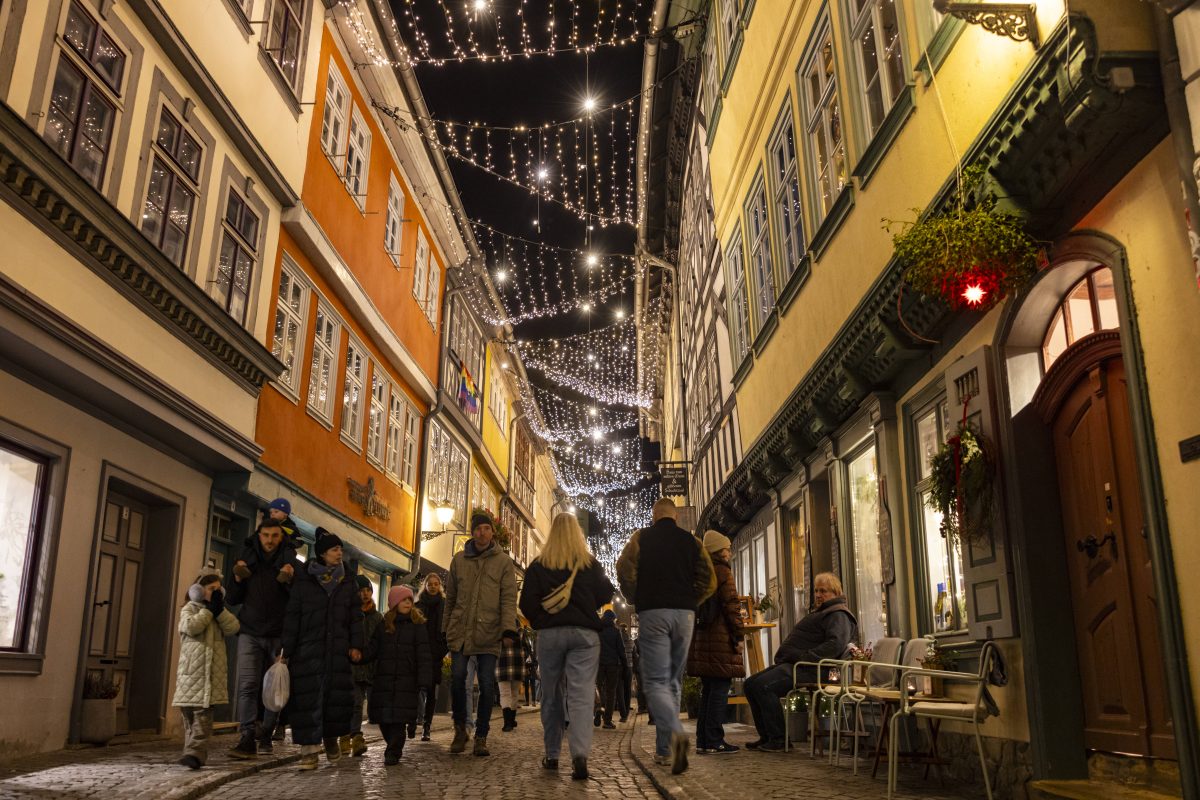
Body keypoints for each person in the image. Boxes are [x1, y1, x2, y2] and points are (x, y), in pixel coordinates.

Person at [617, 497, 716, 775]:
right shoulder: (692, 541)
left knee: (657, 680)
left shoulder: (640, 538)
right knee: (673, 680)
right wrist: (690, 599)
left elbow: (623, 568)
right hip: (684, 615)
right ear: (675, 516)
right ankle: (665, 750)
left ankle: (671, 740)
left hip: (654, 612)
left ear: (653, 516)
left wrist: (636, 596)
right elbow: (709, 580)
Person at [519, 512, 614, 781]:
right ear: (577, 534)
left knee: (551, 694)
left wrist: (542, 620)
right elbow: (607, 594)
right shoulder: (589, 564)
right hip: (585, 635)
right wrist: (585, 605)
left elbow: (526, 603)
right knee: (581, 696)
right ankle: (580, 755)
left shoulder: (539, 565)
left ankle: (552, 754)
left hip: (550, 635)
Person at [744, 572, 858, 753]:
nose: (818, 595)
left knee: (764, 687)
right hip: (798, 664)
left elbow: (835, 645)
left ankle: (779, 740)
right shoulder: (825, 612)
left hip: (812, 668)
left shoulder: (839, 614)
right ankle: (767, 736)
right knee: (750, 684)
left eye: (823, 591)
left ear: (836, 592)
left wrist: (805, 656)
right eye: (816, 590)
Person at [281, 529, 365, 770]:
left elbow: (354, 617)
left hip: (338, 649)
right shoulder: (305, 579)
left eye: (340, 549)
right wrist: (287, 648)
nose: (339, 553)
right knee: (306, 699)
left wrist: (356, 645)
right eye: (334, 550)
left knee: (335, 699)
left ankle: (330, 741)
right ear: (322, 554)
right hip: (308, 650)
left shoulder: (347, 581)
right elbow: (293, 615)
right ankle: (308, 751)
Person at [444, 511, 517, 757]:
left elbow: (508, 599)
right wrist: (446, 628)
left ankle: (481, 735)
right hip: (461, 630)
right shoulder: (458, 560)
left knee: (487, 684)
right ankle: (460, 729)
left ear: (492, 532)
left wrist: (508, 628)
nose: (481, 533)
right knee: (457, 678)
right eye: (477, 529)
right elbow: (451, 598)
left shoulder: (504, 562)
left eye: (486, 528)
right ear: (472, 532)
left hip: (489, 631)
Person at [224, 520, 298, 759]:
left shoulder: (290, 565)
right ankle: (247, 735)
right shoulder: (246, 560)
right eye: (265, 535)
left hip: (278, 635)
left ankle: (265, 734)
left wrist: (291, 581)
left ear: (281, 538)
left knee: (273, 688)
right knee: (247, 685)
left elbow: (297, 603)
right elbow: (233, 599)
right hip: (250, 632)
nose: (269, 540)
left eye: (274, 536)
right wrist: (236, 579)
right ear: (258, 535)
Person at [687, 531, 746, 755]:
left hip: (703, 640)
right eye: (727, 549)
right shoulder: (722, 571)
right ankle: (714, 739)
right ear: (719, 551)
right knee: (720, 690)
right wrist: (738, 635)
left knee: (709, 691)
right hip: (719, 640)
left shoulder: (701, 573)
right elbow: (732, 604)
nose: (730, 553)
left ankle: (703, 740)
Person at [172, 572, 239, 769]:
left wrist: (218, 611)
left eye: (219, 590)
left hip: (211, 677)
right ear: (198, 590)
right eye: (211, 589)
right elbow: (191, 627)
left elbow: (233, 627)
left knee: (203, 717)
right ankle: (191, 752)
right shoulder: (189, 609)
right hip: (190, 674)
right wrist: (209, 611)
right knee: (189, 719)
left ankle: (194, 754)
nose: (216, 593)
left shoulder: (219, 613)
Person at [362, 585, 433, 765]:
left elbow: (423, 655)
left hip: (407, 681)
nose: (408, 603)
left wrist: (423, 680)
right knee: (384, 720)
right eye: (404, 600)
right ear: (394, 603)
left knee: (398, 720)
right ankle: (393, 744)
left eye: (410, 600)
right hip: (384, 680)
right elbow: (373, 649)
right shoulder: (384, 625)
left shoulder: (418, 626)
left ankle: (393, 751)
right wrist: (358, 655)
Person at [342, 575, 383, 757]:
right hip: (354, 666)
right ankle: (355, 737)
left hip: (372, 668)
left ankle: (351, 735)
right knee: (356, 704)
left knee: (374, 706)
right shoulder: (351, 613)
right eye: (361, 591)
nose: (365, 594)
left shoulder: (377, 617)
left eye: (367, 590)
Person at [415, 572, 449, 741]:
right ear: (426, 586)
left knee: (430, 691)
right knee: (416, 688)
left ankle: (426, 726)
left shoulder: (444, 605)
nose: (433, 586)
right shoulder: (419, 605)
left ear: (439, 586)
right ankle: (413, 721)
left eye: (436, 584)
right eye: (430, 584)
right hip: (419, 653)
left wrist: (442, 650)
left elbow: (447, 631)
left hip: (435, 654)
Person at [233, 499, 298, 581]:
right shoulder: (266, 525)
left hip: (283, 549)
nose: (273, 514)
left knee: (288, 552)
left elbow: (291, 539)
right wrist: (250, 541)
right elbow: (255, 536)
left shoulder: (290, 528)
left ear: (285, 514)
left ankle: (286, 569)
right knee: (252, 549)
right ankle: (243, 566)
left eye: (276, 512)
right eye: (271, 512)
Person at [595, 610, 627, 728]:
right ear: (613, 619)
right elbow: (621, 650)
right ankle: (607, 720)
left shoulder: (598, 631)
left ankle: (599, 707)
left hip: (599, 664)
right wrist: (624, 665)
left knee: (599, 688)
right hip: (613, 665)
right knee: (611, 692)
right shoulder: (615, 632)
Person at [497, 613, 527, 732]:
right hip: (517, 661)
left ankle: (507, 722)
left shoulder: (498, 624)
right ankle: (511, 720)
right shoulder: (519, 623)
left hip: (502, 660)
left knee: (504, 693)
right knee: (514, 693)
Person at [618, 623, 633, 723]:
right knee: (628, 690)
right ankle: (626, 712)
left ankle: (623, 713)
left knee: (620, 690)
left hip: (619, 666)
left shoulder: (618, 639)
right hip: (629, 666)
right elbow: (634, 653)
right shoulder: (631, 641)